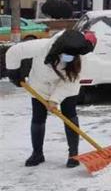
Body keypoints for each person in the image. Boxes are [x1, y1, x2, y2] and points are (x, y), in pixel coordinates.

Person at [5, 29, 95, 167]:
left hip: (67, 87)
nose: (69, 58)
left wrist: (54, 100)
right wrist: (14, 72)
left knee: (69, 114)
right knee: (38, 117)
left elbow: (70, 82)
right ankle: (37, 154)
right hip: (40, 85)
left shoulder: (79, 56)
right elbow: (13, 52)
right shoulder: (41, 46)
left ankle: (73, 155)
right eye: (66, 55)